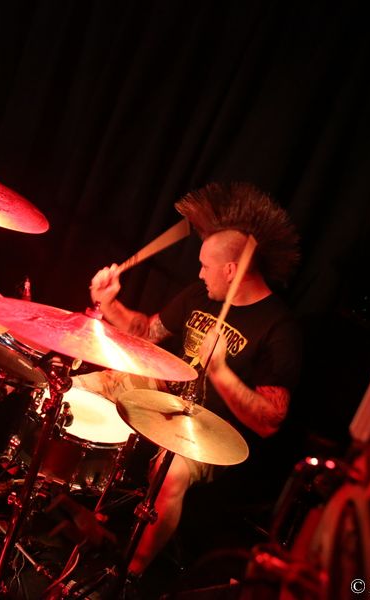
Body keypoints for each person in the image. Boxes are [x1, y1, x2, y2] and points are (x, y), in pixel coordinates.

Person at [79, 181, 302, 585]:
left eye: (205, 265)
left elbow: (270, 421)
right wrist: (108, 303)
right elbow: (146, 334)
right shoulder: (201, 294)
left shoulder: (279, 327)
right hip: (162, 395)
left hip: (209, 431)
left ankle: (128, 576)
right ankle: (48, 497)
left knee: (172, 474)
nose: (199, 273)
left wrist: (220, 371)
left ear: (231, 270)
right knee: (78, 389)